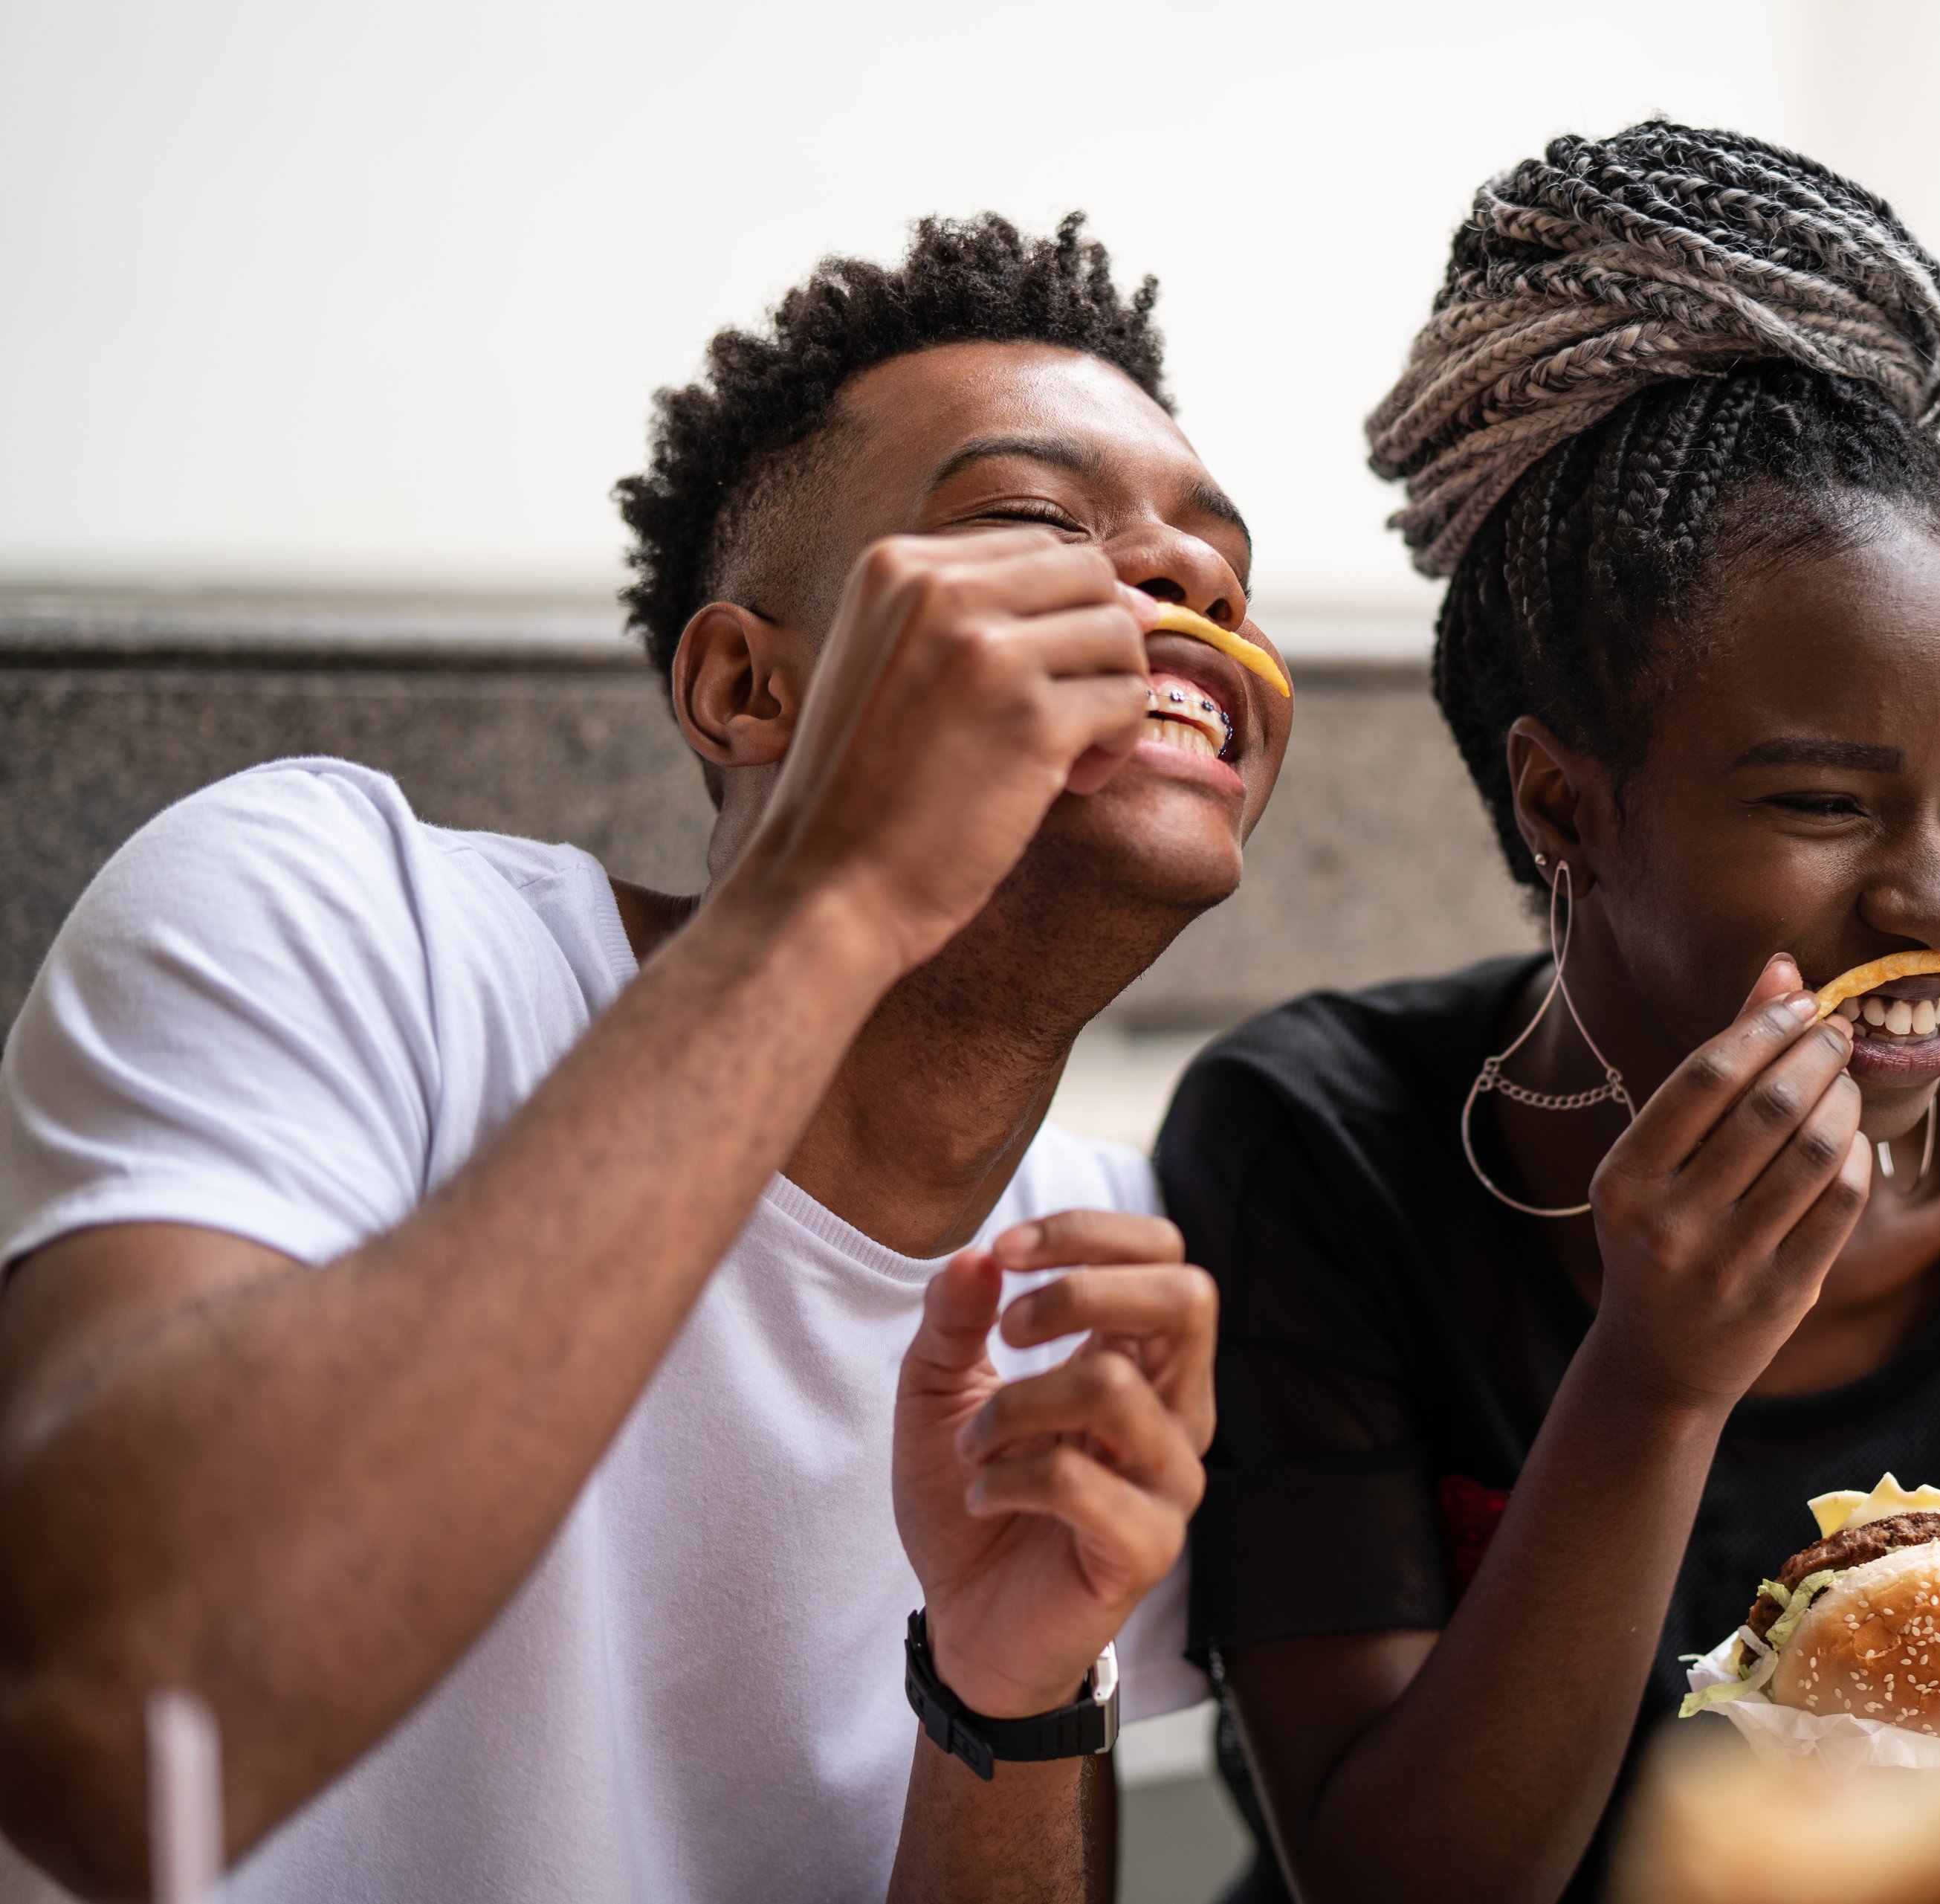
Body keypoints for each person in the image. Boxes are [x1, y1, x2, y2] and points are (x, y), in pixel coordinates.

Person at [0, 213, 1288, 1902]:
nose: (1186, 582)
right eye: (1037, 523)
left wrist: (1012, 1700)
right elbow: (112, 1738)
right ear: (748, 689)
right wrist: (835, 896)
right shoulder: (338, 920)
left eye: (1218, 567)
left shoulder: (1102, 1281)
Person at [1157, 124, 1940, 1904]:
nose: (1938, 900)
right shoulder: (1317, 1148)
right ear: (1565, 806)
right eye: (1826, 807)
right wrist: (1656, 1380)